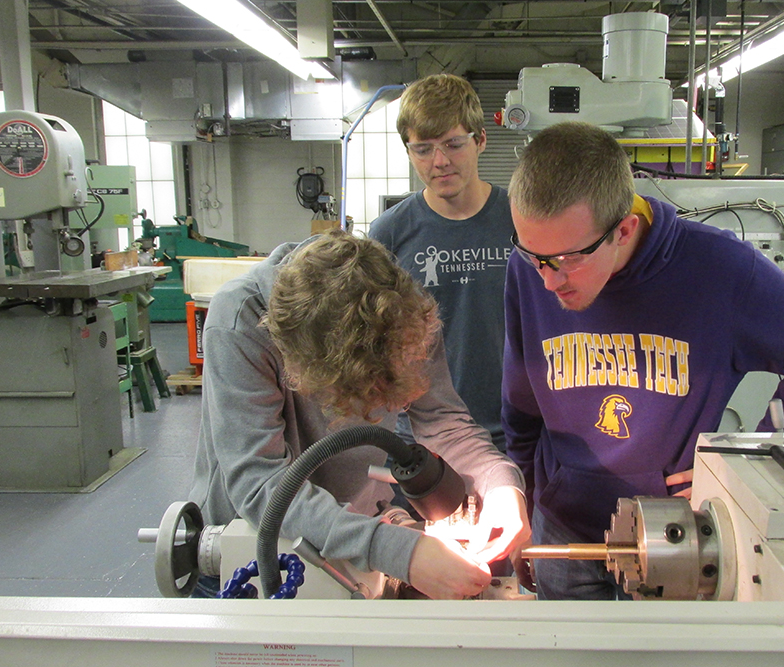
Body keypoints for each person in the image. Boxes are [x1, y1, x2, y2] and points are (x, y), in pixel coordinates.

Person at [502, 121, 784, 600]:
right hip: (562, 524)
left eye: (567, 259)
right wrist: (523, 498)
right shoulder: (532, 267)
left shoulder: (723, 270)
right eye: (534, 256)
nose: (548, 281)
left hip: (672, 539)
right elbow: (521, 401)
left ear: (623, 230)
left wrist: (747, 465)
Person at [189, 231, 529, 600]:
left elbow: (443, 423)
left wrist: (501, 485)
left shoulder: (403, 312)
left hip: (358, 535)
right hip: (252, 554)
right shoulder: (239, 322)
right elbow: (260, 482)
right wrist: (397, 550)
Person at [369, 73, 512, 451]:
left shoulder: (521, 220)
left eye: (453, 144)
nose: (440, 162)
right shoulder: (389, 233)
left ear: (481, 140)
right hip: (421, 435)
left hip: (514, 431)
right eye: (423, 149)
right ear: (409, 152)